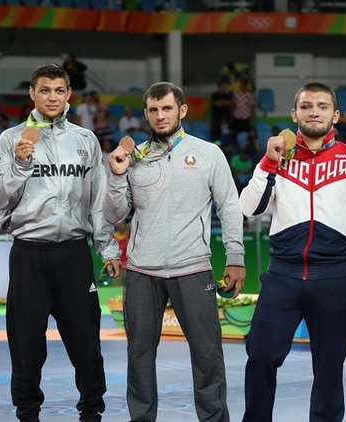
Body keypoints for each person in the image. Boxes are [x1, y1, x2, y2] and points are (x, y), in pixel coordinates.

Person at [0, 63, 121, 422]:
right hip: (29, 255)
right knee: (26, 346)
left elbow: (98, 200)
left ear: (68, 94)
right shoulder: (11, 139)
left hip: (74, 255)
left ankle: (91, 412)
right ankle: (27, 414)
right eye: (45, 90)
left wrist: (107, 249)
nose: (52, 97)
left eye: (59, 90)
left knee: (86, 344)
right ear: (32, 93)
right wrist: (18, 164)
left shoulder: (85, 140)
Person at [239, 82, 346, 422]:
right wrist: (268, 162)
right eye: (306, 106)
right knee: (260, 356)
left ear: (335, 115)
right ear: (294, 114)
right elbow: (249, 209)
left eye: (322, 106)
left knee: (329, 370)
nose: (314, 112)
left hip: (333, 279)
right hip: (282, 276)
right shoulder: (277, 159)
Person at [103, 81, 245, 422]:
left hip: (192, 268)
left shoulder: (208, 154)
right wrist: (117, 175)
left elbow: (229, 206)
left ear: (182, 110)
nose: (160, 115)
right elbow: (114, 214)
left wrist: (235, 257)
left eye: (167, 108)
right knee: (139, 355)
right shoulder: (134, 158)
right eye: (153, 110)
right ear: (146, 114)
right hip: (142, 271)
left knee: (207, 354)